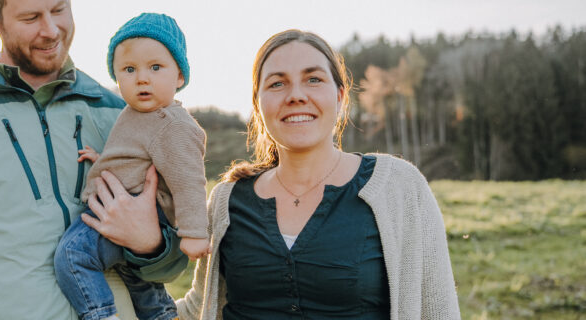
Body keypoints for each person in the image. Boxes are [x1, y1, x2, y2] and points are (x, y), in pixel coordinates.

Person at [0, 0, 187, 318]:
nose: (51, 30)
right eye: (31, 17)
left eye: (59, 10)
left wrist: (150, 245)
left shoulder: (120, 112)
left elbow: (171, 266)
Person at [175, 29, 460, 319]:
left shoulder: (399, 187)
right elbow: (198, 307)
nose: (296, 95)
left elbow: (438, 310)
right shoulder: (227, 201)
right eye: (277, 83)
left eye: (313, 79)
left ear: (339, 96)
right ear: (258, 106)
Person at [53, 13, 209, 320]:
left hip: (143, 214)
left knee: (73, 256)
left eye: (155, 67)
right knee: (135, 275)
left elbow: (189, 179)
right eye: (129, 69)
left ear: (179, 76)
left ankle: (101, 314)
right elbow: (137, 155)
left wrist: (194, 232)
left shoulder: (172, 123)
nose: (142, 78)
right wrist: (104, 161)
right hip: (131, 209)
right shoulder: (137, 113)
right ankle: (162, 314)